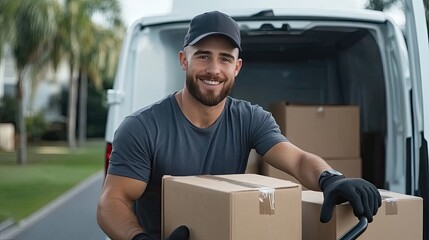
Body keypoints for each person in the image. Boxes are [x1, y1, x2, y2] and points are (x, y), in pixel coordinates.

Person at [97, 10, 382, 240]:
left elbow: (296, 159)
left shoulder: (249, 118)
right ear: (184, 60)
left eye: (225, 59)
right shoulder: (142, 127)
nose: (214, 69)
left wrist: (331, 178)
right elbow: (111, 202)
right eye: (203, 56)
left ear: (237, 67)